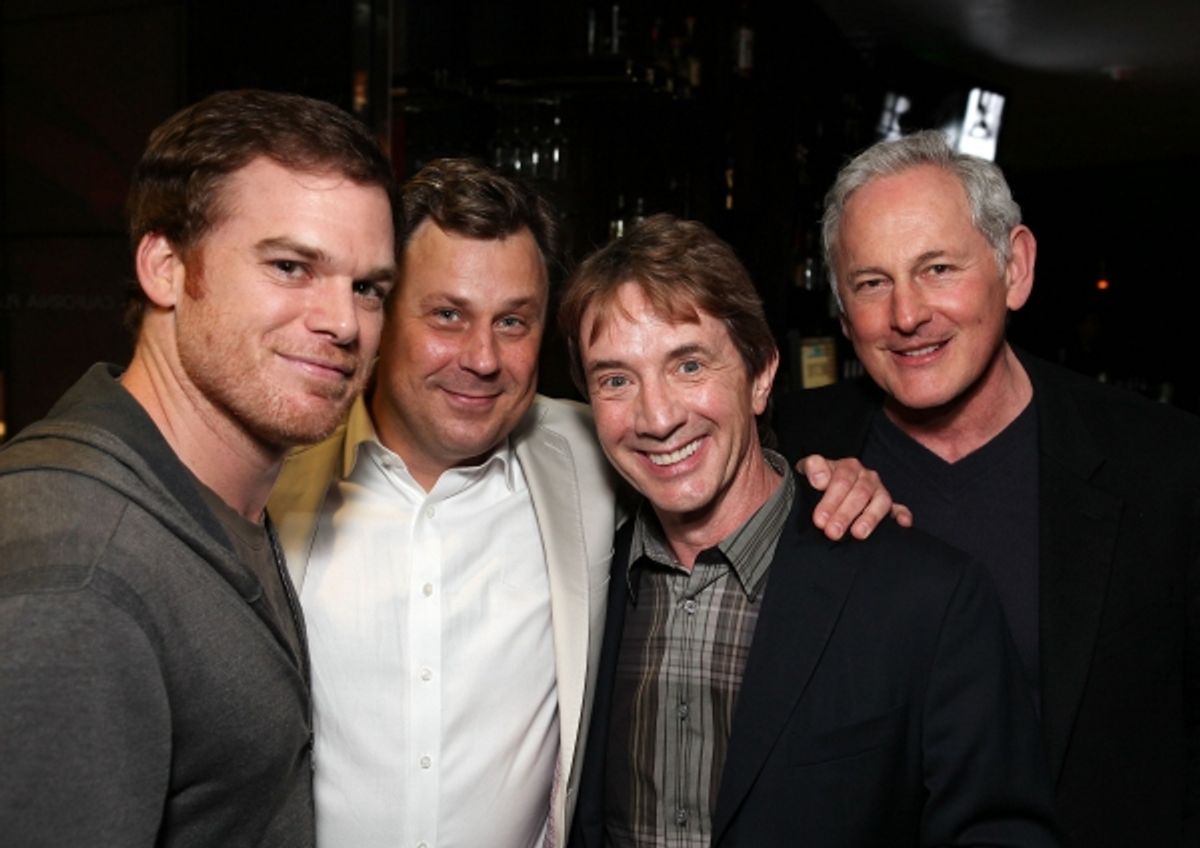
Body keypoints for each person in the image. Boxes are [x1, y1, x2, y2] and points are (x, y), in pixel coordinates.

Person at [267, 159, 903, 848]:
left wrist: (834, 482)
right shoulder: (272, 477)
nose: (482, 357)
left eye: (513, 321)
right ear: (382, 313)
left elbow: (716, 448)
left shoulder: (586, 455)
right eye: (448, 314)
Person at [562, 213, 1059, 847]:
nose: (656, 417)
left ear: (761, 375)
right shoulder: (579, 585)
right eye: (615, 380)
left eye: (688, 366)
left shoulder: (925, 597)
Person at [773, 129, 1200, 847]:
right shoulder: (789, 455)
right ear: (842, 313)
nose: (907, 314)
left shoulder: (1166, 466)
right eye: (872, 283)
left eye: (938, 268)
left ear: (1016, 267)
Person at [0, 89, 399, 846]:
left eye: (367, 288)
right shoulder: (78, 567)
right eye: (291, 266)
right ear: (167, 268)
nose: (344, 322)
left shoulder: (211, 502)